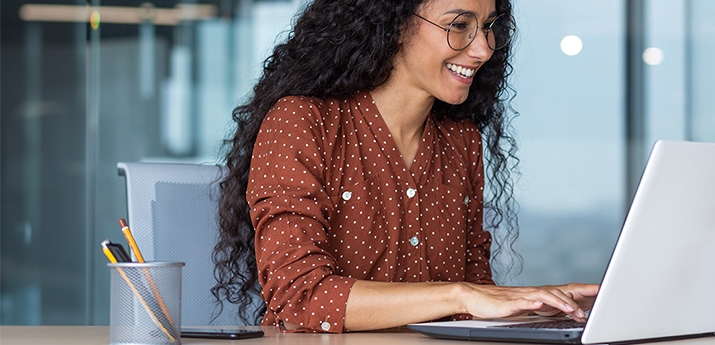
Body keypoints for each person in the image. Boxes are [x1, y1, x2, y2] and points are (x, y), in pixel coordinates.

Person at [211, 0, 598, 332]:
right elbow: (300, 297)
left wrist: (533, 308)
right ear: (395, 25)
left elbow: (473, 298)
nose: (482, 49)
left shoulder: (461, 142)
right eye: (459, 25)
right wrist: (459, 294)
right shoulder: (302, 122)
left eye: (489, 27)